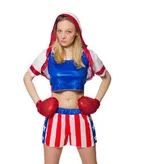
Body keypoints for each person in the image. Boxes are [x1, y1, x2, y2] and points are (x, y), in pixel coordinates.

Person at [23, 12, 111, 164]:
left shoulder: (87, 55)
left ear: (76, 33)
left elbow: (106, 77)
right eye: (59, 31)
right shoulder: (48, 54)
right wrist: (39, 104)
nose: (63, 36)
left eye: (68, 31)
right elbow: (27, 78)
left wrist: (96, 102)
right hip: (55, 116)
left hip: (80, 116)